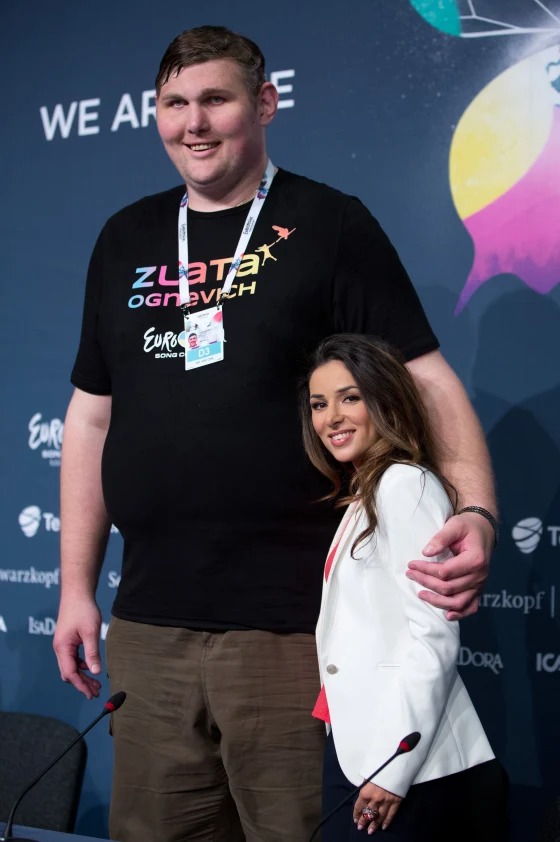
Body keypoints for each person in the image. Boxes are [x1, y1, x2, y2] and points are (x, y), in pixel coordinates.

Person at [53, 24, 498, 842]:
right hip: (149, 624)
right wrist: (76, 587)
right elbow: (90, 417)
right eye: (174, 103)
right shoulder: (125, 238)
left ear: (264, 103)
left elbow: (427, 379)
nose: (193, 123)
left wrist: (474, 510)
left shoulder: (329, 224)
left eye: (215, 100)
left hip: (293, 631)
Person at [300, 333, 508, 841]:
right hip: (365, 749)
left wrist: (393, 769)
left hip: (404, 766)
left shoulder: (403, 485)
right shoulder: (368, 492)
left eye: (350, 398)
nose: (332, 418)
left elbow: (433, 637)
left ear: (384, 400)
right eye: (319, 404)